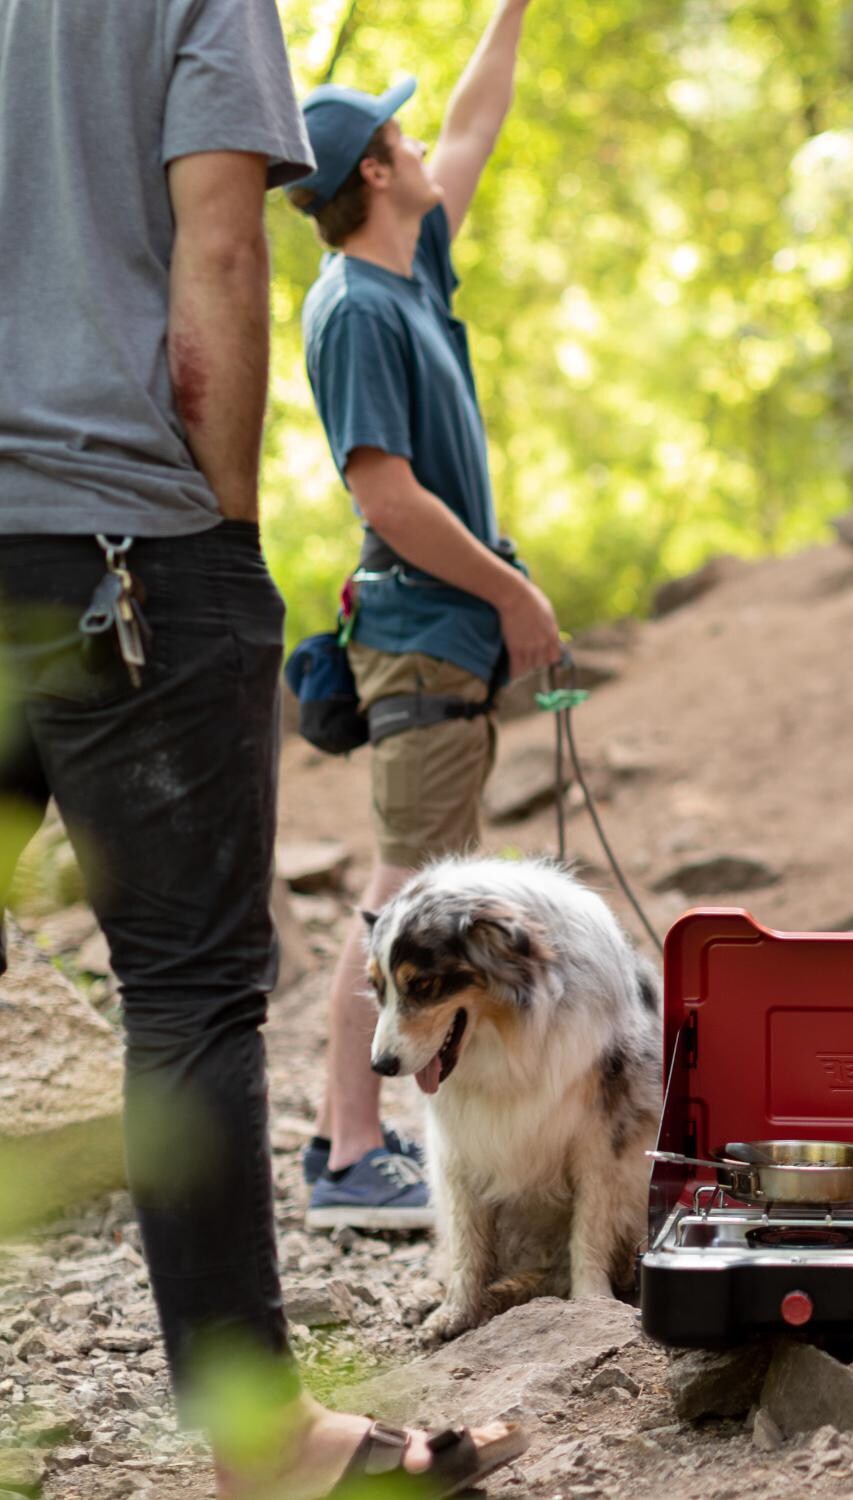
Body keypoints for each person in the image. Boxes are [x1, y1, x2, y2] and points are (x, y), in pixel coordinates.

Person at [0, 2, 522, 1493]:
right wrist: (219, 542)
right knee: (187, 997)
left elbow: (461, 137)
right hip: (116, 544)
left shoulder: (408, 271)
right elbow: (218, 256)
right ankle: (263, 1442)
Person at [287, 0, 563, 1231]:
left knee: (412, 888)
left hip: (444, 637)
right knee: (402, 900)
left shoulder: (410, 261)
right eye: (396, 134)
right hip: (419, 636)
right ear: (376, 172)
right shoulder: (354, 306)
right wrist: (515, 594)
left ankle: (350, 1141)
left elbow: (477, 117)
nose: (418, 139)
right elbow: (385, 495)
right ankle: (353, 1151)